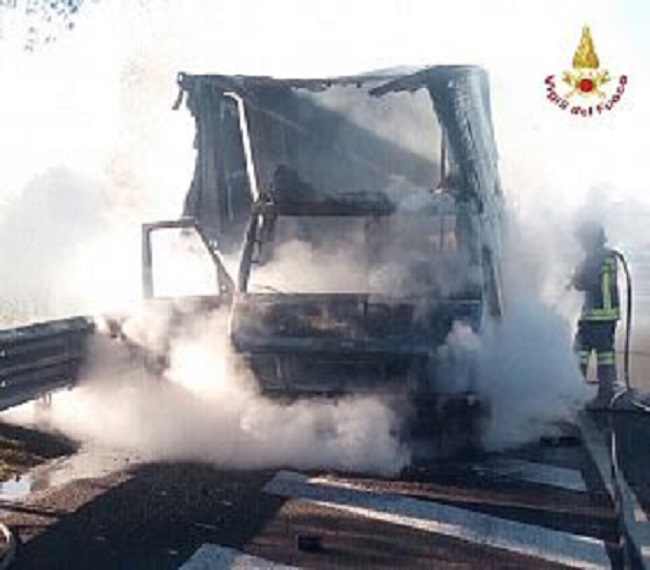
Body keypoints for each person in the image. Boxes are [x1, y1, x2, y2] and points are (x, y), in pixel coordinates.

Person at [571, 221, 620, 409]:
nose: (581, 243)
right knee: (605, 356)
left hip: (595, 317)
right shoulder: (607, 256)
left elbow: (585, 282)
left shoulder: (595, 258)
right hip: (607, 317)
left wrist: (575, 279)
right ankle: (606, 395)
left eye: (583, 239)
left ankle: (575, 394)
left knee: (580, 354)